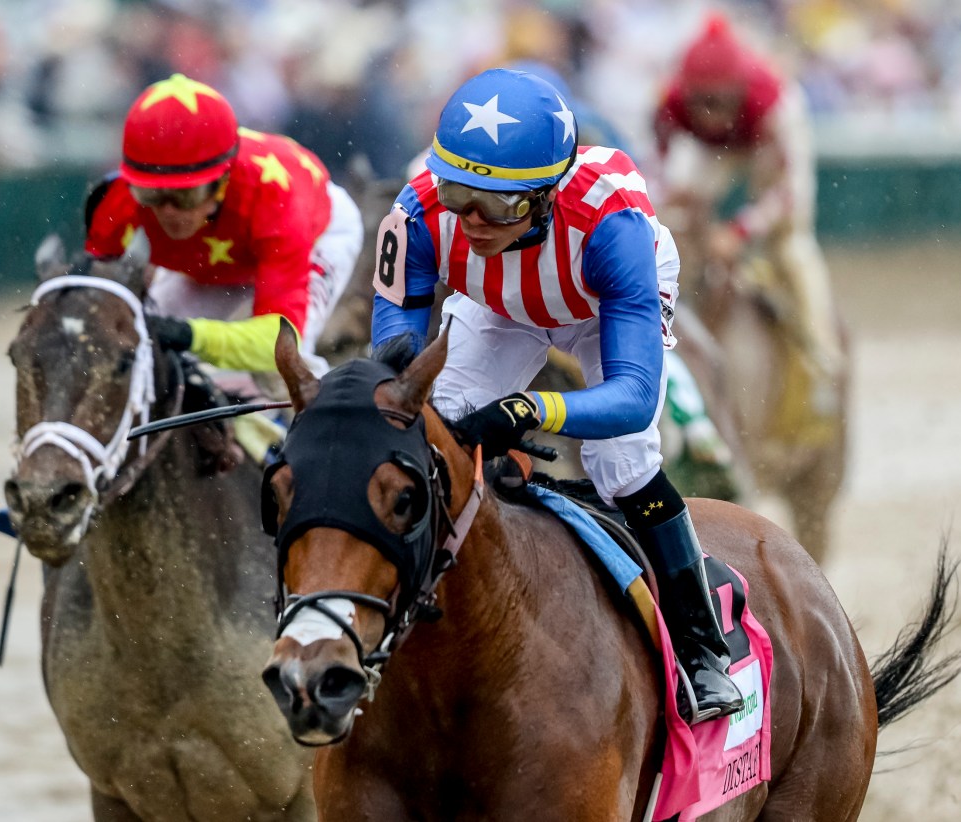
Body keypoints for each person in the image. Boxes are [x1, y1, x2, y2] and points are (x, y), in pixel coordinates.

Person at [371, 68, 742, 722]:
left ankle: (700, 647)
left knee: (620, 463)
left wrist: (531, 408)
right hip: (496, 307)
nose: (475, 220)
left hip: (600, 304)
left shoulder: (613, 224)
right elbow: (394, 354)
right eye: (460, 194)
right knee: (421, 439)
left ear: (546, 197)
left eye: (502, 205)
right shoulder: (416, 211)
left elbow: (628, 397)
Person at [86, 73, 362, 376]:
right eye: (151, 193)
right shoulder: (118, 201)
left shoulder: (276, 201)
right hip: (217, 254)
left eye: (186, 196)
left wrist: (191, 336)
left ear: (222, 182)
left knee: (278, 373)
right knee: (140, 349)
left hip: (319, 233)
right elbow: (92, 313)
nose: (168, 212)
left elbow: (279, 345)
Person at [653, 11, 844, 397]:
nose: (708, 114)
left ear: (739, 91)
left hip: (765, 143)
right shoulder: (668, 104)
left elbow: (787, 195)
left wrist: (740, 231)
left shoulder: (773, 103)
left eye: (718, 102)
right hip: (716, 151)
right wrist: (675, 204)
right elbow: (655, 175)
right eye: (700, 101)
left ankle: (825, 359)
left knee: (792, 246)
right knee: (669, 222)